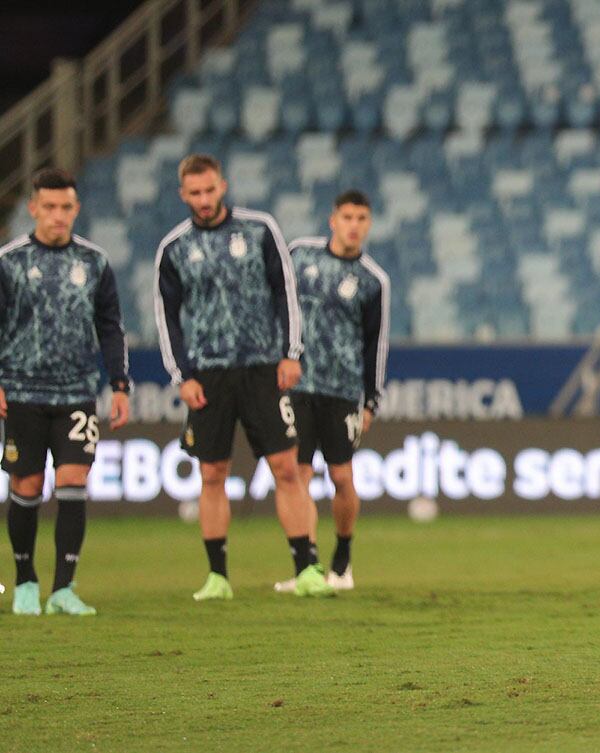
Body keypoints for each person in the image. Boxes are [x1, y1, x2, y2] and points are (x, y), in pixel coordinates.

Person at [153, 153, 333, 600]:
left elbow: (285, 291)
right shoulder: (174, 248)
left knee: (286, 468)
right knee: (212, 473)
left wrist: (291, 353)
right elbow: (167, 318)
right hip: (208, 375)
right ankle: (217, 576)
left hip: (261, 369)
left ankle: (306, 567)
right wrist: (181, 374)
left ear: (223, 185)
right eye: (194, 192)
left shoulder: (259, 229)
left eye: (210, 189)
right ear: (183, 195)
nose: (203, 199)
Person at [0, 167, 131, 616]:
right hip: (22, 391)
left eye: (66, 207)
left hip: (77, 391)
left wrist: (119, 384)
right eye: (49, 207)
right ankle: (24, 581)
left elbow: (110, 328)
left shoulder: (94, 262)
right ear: (33, 208)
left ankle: (63, 588)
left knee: (73, 480)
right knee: (28, 483)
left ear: (76, 209)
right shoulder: (9, 261)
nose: (58, 215)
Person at [273, 190, 389, 593]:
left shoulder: (374, 280)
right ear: (332, 220)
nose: (354, 225)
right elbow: (275, 304)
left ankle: (342, 556)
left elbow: (376, 344)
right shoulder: (300, 255)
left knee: (341, 475)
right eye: (347, 217)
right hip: (298, 385)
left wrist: (371, 399)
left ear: (368, 224)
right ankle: (307, 563)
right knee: (298, 474)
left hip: (342, 390)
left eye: (361, 218)